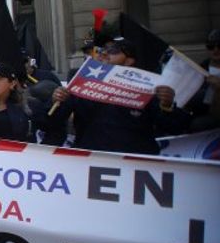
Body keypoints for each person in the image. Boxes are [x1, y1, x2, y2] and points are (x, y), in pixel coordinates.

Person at [48, 37, 190, 155]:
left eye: (113, 50)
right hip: (91, 162)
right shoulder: (84, 83)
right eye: (102, 50)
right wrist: (57, 101)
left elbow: (175, 127)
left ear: (129, 60)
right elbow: (52, 121)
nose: (104, 54)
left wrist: (167, 106)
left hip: (135, 164)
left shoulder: (147, 88)